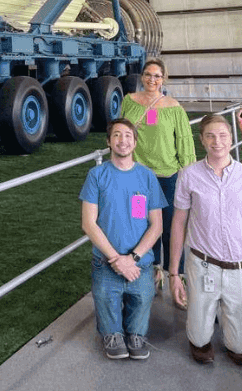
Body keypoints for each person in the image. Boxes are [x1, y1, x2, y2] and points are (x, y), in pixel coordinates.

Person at [170, 113, 242, 366]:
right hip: (203, 265)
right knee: (199, 338)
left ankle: (226, 324)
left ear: (232, 139)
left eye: (222, 135)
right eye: (210, 136)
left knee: (239, 344)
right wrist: (174, 273)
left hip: (241, 267)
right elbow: (178, 223)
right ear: (201, 140)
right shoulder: (188, 176)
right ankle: (202, 326)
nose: (217, 141)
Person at [80, 118, 167, 360]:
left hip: (140, 263)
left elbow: (156, 225)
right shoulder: (96, 175)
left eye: (128, 135)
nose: (123, 140)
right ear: (108, 142)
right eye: (117, 135)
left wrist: (133, 257)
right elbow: (88, 223)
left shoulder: (147, 177)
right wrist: (116, 259)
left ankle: (136, 334)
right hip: (107, 261)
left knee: (141, 302)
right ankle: (111, 333)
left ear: (135, 142)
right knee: (107, 302)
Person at [120, 57, 195, 287]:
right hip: (138, 178)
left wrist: (189, 173)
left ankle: (175, 273)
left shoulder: (173, 108)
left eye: (157, 76)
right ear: (142, 77)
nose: (152, 79)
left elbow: (184, 141)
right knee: (142, 223)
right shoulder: (129, 101)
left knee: (171, 225)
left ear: (163, 79)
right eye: (148, 75)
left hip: (167, 177)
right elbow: (120, 131)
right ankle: (151, 268)